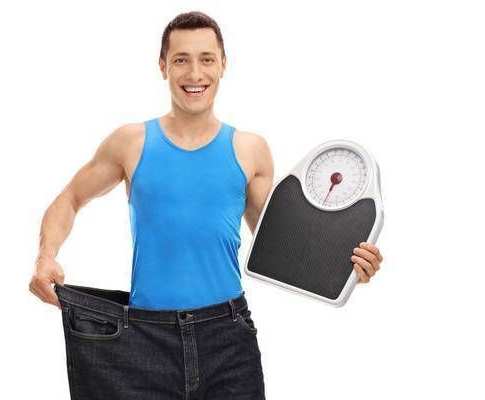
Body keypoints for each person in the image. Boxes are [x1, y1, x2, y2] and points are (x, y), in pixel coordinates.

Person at [29, 11, 384, 400]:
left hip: (228, 340)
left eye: (207, 59)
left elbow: (285, 252)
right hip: (143, 337)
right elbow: (70, 198)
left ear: (223, 65)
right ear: (163, 66)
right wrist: (46, 256)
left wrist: (347, 271)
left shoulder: (250, 150)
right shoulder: (130, 143)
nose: (194, 73)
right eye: (181, 59)